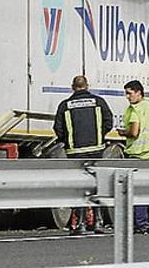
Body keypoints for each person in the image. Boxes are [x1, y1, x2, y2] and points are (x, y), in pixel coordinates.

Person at [53, 75, 113, 235]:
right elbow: (109, 122)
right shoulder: (99, 102)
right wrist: (99, 136)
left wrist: (67, 141)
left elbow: (58, 128)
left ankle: (80, 225)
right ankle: (99, 222)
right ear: (87, 86)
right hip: (96, 151)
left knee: (79, 189)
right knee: (96, 186)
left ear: (73, 87)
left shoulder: (65, 105)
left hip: (75, 153)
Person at [119, 80, 149, 234]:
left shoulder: (135, 110)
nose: (127, 97)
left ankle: (141, 224)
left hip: (139, 154)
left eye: (129, 93)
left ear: (139, 93)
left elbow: (134, 132)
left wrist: (122, 133)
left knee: (138, 192)